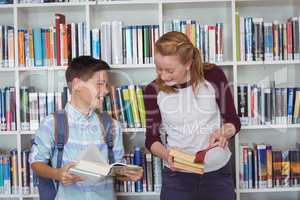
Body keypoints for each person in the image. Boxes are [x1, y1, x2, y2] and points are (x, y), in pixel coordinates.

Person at [30, 56, 143, 200]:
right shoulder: (51, 123)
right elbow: (36, 163)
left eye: (107, 85)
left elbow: (116, 170)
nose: (106, 91)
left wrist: (128, 173)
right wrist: (58, 174)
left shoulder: (112, 126)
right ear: (77, 84)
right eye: (100, 84)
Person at [144, 31, 241, 200]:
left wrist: (224, 132)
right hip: (177, 179)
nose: (163, 76)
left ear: (188, 63)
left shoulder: (213, 76)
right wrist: (167, 155)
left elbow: (233, 120)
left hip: (217, 174)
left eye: (169, 70)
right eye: (158, 68)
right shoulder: (153, 90)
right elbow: (151, 139)